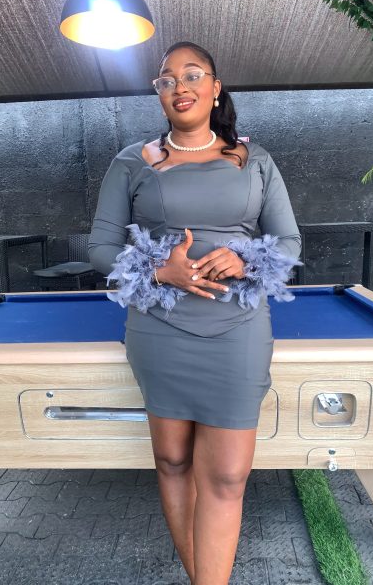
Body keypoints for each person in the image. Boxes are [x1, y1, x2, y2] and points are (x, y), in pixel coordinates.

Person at [88, 41, 302, 585]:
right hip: (160, 330)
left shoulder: (255, 160)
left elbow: (289, 242)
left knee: (228, 477)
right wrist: (162, 271)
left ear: (215, 88)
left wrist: (245, 258)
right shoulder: (131, 161)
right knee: (172, 463)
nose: (179, 87)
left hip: (238, 330)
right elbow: (100, 248)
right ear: (159, 94)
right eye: (166, 79)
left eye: (192, 75)